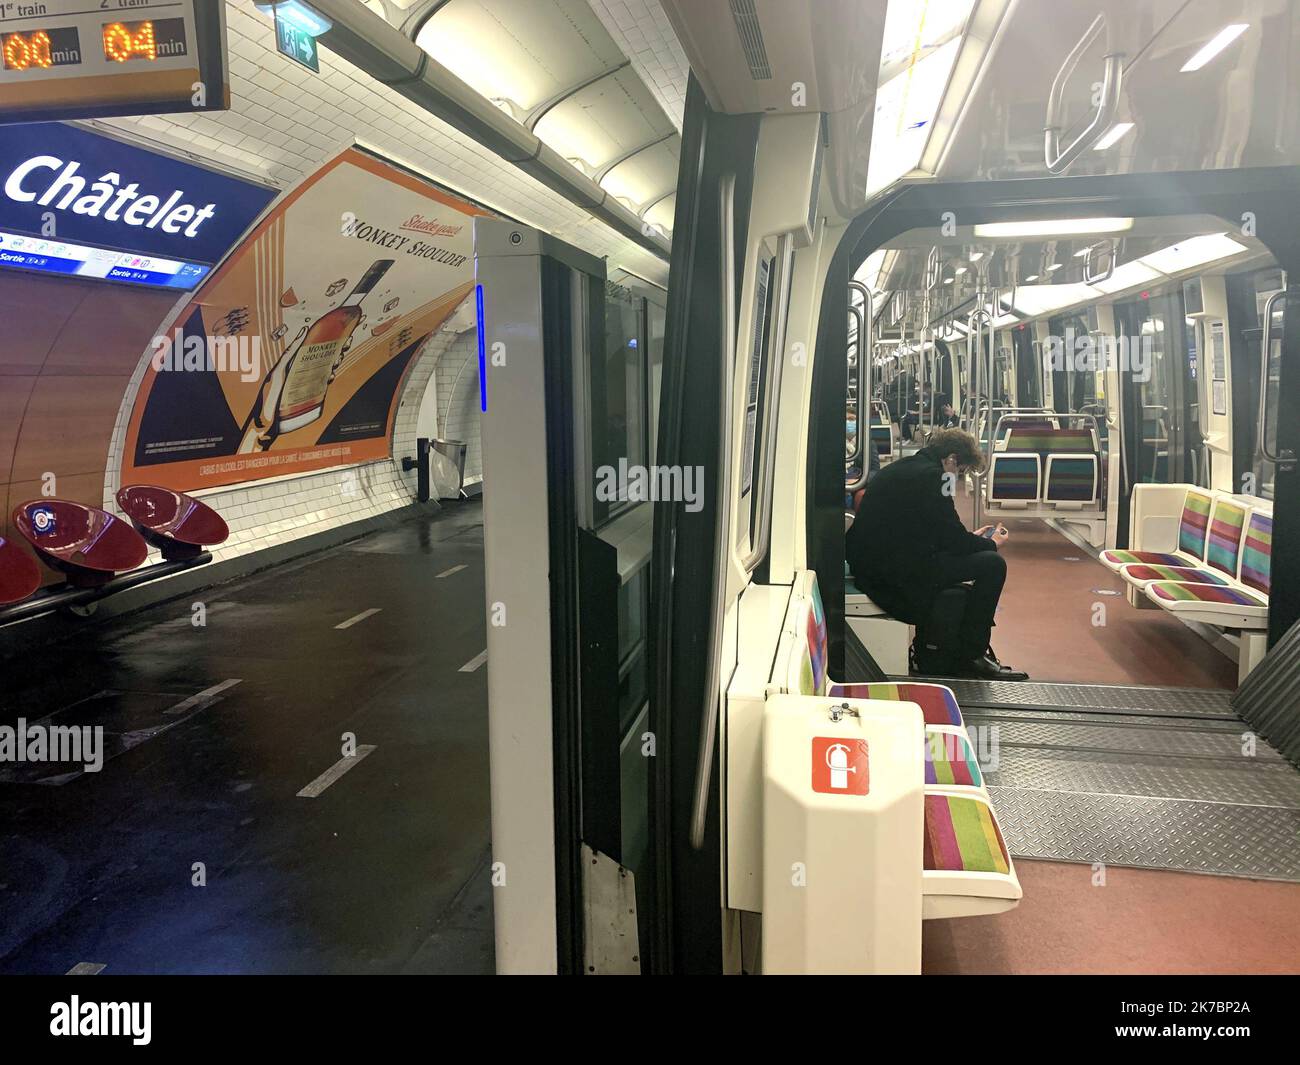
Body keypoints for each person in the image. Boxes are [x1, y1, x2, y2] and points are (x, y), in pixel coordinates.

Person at [845, 426, 1028, 680]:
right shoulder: (937, 477)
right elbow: (951, 536)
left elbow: (932, 529)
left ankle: (961, 649)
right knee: (993, 564)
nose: (959, 477)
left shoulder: (905, 467)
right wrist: (992, 543)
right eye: (961, 471)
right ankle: (972, 654)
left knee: (977, 558)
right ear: (951, 459)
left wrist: (969, 539)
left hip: (872, 562)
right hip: (893, 575)